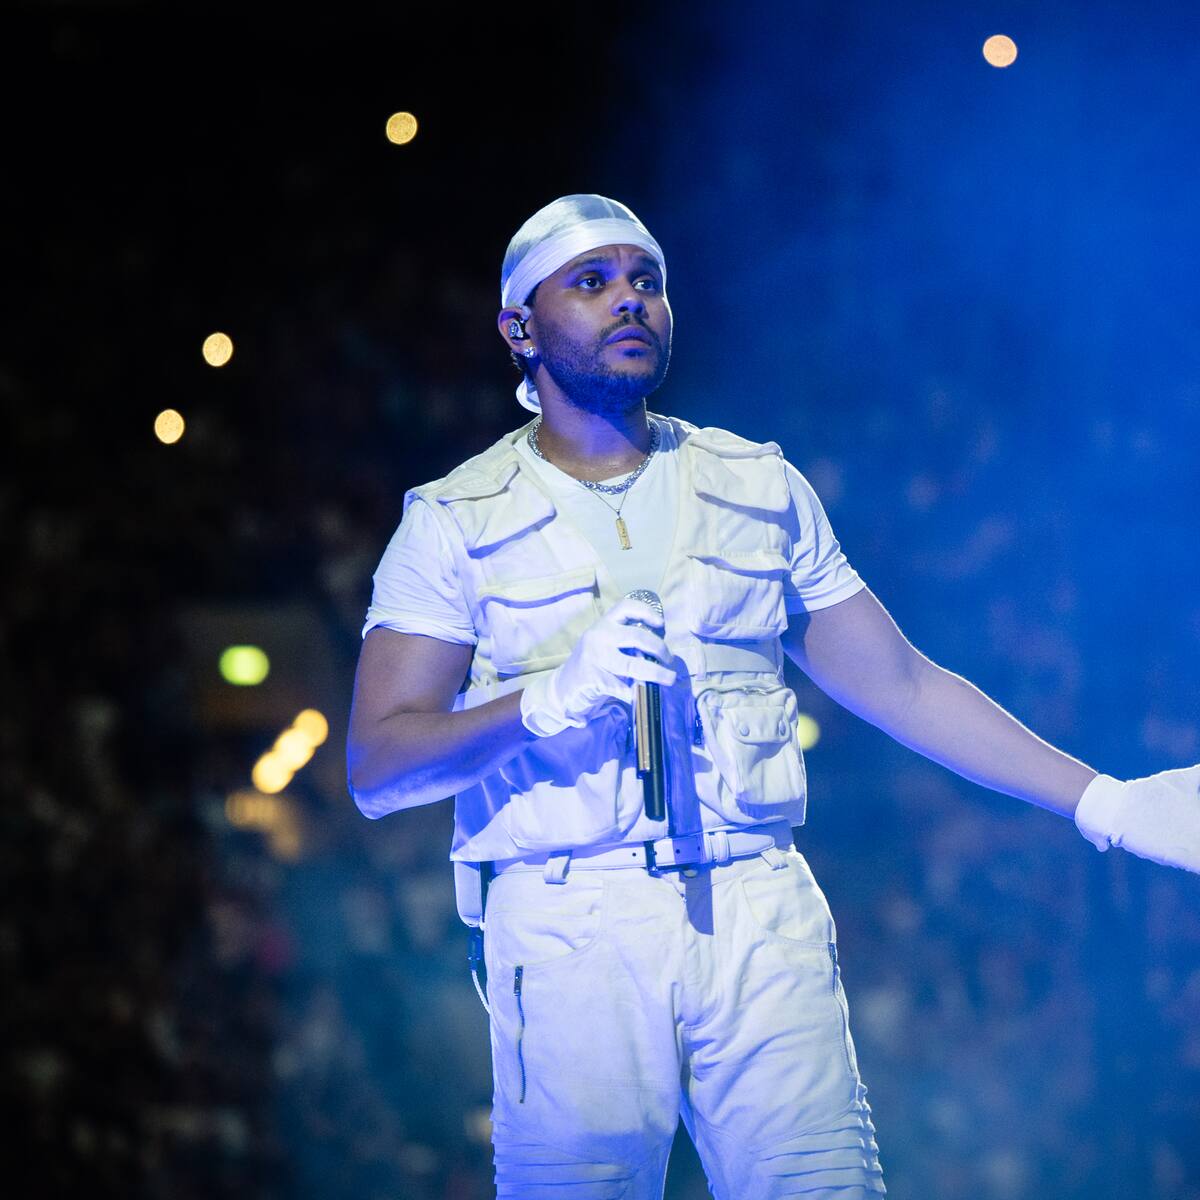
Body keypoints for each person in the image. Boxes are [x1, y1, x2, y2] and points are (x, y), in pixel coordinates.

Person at [346, 194, 1200, 1199]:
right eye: (592, 282)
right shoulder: (456, 519)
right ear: (519, 329)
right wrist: (540, 703)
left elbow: (902, 683)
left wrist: (1103, 801)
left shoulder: (756, 485)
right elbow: (378, 768)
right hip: (567, 926)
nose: (630, 299)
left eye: (647, 280)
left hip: (757, 905)